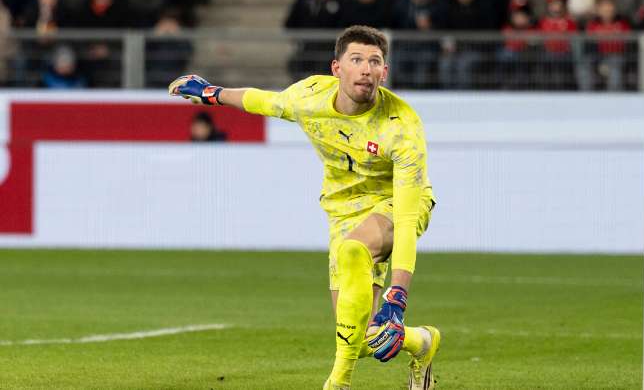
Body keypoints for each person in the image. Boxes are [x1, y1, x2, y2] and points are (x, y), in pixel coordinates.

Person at [168, 26, 441, 390]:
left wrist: (398, 296)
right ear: (336, 68)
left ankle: (337, 383)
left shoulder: (402, 127)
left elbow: (405, 222)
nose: (366, 69)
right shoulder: (310, 97)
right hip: (343, 210)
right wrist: (212, 94)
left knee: (353, 250)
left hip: (399, 201)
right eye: (356, 60)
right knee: (359, 337)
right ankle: (423, 342)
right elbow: (262, 100)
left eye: (375, 61)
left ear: (384, 72)